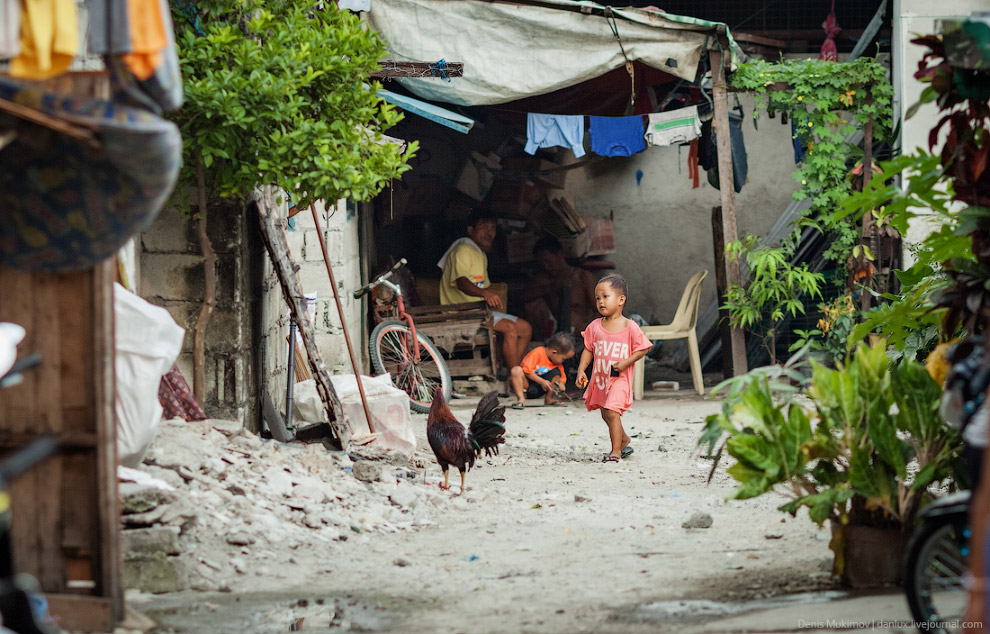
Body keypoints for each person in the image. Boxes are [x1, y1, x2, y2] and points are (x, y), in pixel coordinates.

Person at [438, 210, 532, 374]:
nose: (489, 233)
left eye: (493, 228)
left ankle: (514, 375)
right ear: (471, 230)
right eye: (484, 227)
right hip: (460, 313)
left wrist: (488, 297)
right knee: (510, 329)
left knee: (525, 328)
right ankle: (515, 376)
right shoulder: (462, 250)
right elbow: (462, 283)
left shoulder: (480, 254)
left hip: (478, 313)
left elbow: (483, 285)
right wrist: (485, 294)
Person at [575, 274, 652, 463]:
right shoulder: (594, 326)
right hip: (600, 379)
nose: (600, 302)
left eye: (605, 297)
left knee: (611, 411)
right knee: (605, 414)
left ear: (620, 300)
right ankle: (624, 439)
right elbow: (588, 350)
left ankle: (616, 451)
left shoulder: (629, 326)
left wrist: (626, 362)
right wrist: (581, 370)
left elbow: (643, 347)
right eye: (597, 298)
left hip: (619, 379)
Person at [522, 236, 598, 338]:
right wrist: (548, 288)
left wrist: (588, 327)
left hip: (579, 331)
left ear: (560, 254)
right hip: (553, 331)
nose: (546, 266)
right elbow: (523, 298)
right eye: (542, 263)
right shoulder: (543, 279)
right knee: (531, 306)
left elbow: (601, 309)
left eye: (548, 261)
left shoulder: (582, 277)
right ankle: (543, 344)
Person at [509, 332, 575, 410]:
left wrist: (561, 385)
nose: (562, 362)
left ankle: (549, 399)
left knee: (556, 373)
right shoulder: (537, 353)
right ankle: (520, 400)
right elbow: (527, 371)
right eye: (563, 359)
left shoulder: (557, 364)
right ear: (554, 352)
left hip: (545, 389)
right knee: (516, 370)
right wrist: (542, 381)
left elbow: (561, 379)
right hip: (529, 385)